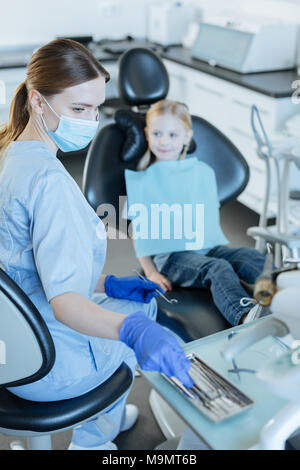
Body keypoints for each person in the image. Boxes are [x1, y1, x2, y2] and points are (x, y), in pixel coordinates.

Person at [0, 40, 193, 451]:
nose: (90, 121)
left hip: (8, 345)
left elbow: (25, 269)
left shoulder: (9, 156)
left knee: (126, 300)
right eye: (78, 109)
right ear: (37, 101)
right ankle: (92, 439)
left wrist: (108, 284)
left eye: (95, 108)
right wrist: (133, 329)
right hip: (46, 366)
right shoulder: (48, 183)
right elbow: (65, 302)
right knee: (143, 310)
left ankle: (105, 415)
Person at [124, 100, 266, 327]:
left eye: (172, 135)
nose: (163, 141)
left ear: (187, 138)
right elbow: (137, 232)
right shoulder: (144, 181)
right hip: (172, 257)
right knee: (218, 268)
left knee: (250, 257)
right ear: (147, 134)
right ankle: (246, 317)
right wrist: (151, 272)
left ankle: (283, 294)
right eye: (157, 133)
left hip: (205, 246)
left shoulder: (199, 173)